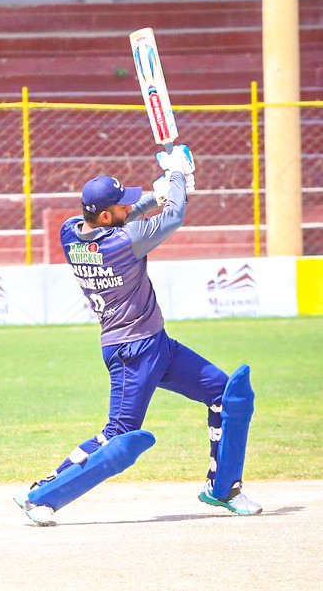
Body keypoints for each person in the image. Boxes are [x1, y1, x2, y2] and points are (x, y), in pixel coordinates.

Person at [14, 145, 262, 526]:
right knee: (118, 437)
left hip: (156, 344)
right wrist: (175, 179)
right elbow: (174, 217)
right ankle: (42, 495)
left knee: (223, 394)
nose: (129, 207)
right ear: (106, 215)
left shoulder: (70, 233)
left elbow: (125, 217)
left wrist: (156, 195)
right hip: (132, 352)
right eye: (122, 205)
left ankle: (223, 487)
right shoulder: (124, 242)